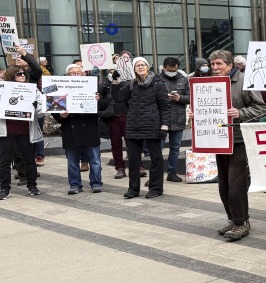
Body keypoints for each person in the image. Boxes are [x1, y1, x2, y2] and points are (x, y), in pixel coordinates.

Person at [206, 50, 266, 240]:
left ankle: (242, 222)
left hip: (239, 139)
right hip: (218, 139)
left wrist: (239, 113)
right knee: (223, 183)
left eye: (219, 64)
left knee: (236, 183)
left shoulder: (243, 81)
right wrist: (197, 115)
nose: (215, 68)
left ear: (229, 65)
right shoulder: (209, 83)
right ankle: (232, 219)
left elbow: (261, 107)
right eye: (213, 65)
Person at [114, 57, 170, 199]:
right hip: (133, 126)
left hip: (153, 125)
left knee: (156, 158)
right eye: (137, 65)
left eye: (142, 65)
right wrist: (115, 82)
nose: (140, 67)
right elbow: (119, 98)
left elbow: (165, 107)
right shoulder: (131, 84)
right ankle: (133, 189)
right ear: (134, 69)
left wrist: (164, 126)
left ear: (147, 67)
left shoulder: (158, 84)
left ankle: (156, 188)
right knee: (133, 159)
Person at [52, 64, 104, 194]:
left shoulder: (94, 86)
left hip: (89, 127)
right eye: (72, 73)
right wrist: (61, 115)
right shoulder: (60, 89)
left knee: (95, 160)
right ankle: (75, 185)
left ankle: (96, 183)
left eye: (78, 73)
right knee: (72, 161)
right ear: (67, 76)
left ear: (83, 74)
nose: (76, 75)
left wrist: (98, 100)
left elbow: (104, 106)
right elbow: (53, 109)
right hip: (70, 128)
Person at [0, 65, 44, 199]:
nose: (23, 76)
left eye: (24, 73)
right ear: (11, 75)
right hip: (6, 131)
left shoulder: (32, 90)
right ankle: (4, 188)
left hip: (26, 131)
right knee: (4, 161)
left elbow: (42, 111)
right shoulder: (2, 89)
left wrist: (36, 108)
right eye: (19, 74)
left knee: (29, 160)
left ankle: (32, 185)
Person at [160, 57, 189, 182]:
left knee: (175, 147)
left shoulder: (183, 79)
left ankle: (172, 172)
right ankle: (156, 174)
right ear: (164, 67)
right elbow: (150, 97)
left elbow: (190, 97)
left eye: (174, 70)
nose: (172, 72)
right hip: (162, 119)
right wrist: (164, 97)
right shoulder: (157, 79)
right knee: (157, 148)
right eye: (169, 70)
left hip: (178, 117)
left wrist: (180, 98)